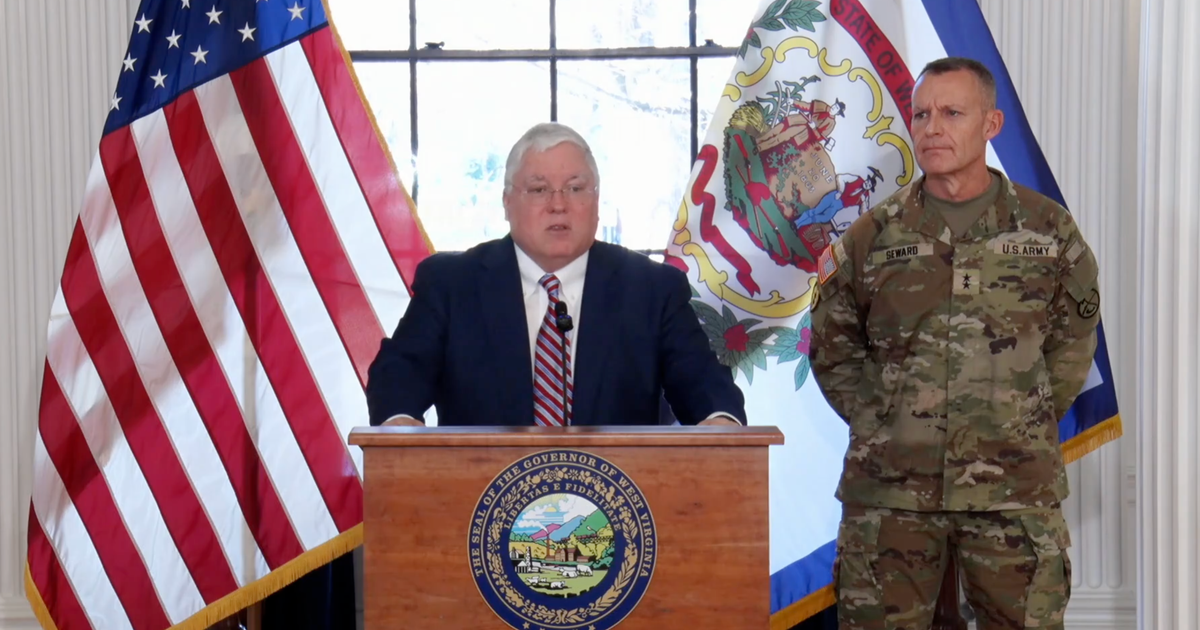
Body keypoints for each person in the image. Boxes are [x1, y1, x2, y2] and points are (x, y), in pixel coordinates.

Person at [808, 56, 1100, 630]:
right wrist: (887, 418)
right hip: (891, 493)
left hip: (1012, 489)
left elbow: (1072, 342)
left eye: (951, 113)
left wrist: (1017, 416)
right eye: (921, 114)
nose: (932, 128)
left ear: (991, 124)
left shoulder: (1048, 230)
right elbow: (832, 346)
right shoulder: (872, 235)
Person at [366, 122, 746, 428]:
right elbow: (398, 376)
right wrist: (400, 428)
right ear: (507, 203)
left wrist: (720, 422)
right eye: (539, 190)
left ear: (596, 201)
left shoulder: (651, 289)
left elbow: (703, 383)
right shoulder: (452, 285)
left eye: (575, 188)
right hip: (479, 496)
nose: (558, 205)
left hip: (619, 496)